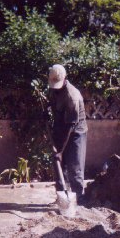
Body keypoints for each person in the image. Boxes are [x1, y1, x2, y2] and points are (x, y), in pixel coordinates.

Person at [47, 64, 88, 203]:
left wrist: (61, 150)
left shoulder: (72, 96)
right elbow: (53, 105)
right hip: (60, 128)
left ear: (65, 79)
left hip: (76, 131)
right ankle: (62, 199)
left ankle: (79, 200)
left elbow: (71, 126)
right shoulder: (54, 90)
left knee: (75, 167)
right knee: (59, 167)